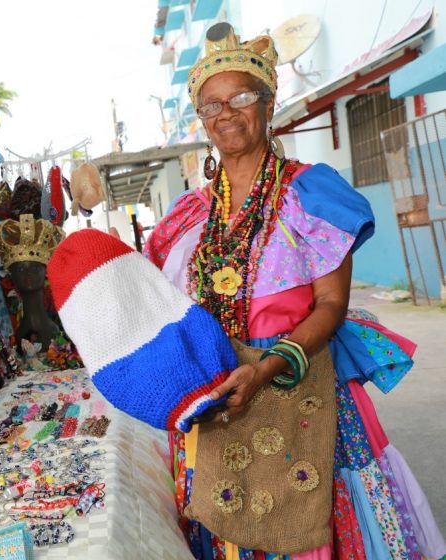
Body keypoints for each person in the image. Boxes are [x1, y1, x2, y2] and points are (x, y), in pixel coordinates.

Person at [143, 22, 446, 560]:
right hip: (218, 402)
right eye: (211, 105)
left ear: (268, 102)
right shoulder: (188, 216)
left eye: (240, 97)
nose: (226, 114)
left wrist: (265, 367)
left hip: (299, 382)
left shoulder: (309, 192)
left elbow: (331, 306)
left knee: (311, 522)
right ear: (202, 121)